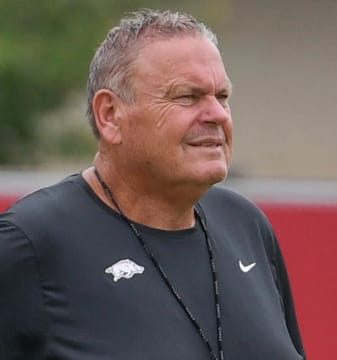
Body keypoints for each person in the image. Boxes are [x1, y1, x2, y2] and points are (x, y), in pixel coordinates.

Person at [0, 9, 306, 360]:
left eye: (222, 97)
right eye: (187, 97)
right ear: (110, 115)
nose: (218, 114)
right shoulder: (29, 244)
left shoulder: (246, 226)